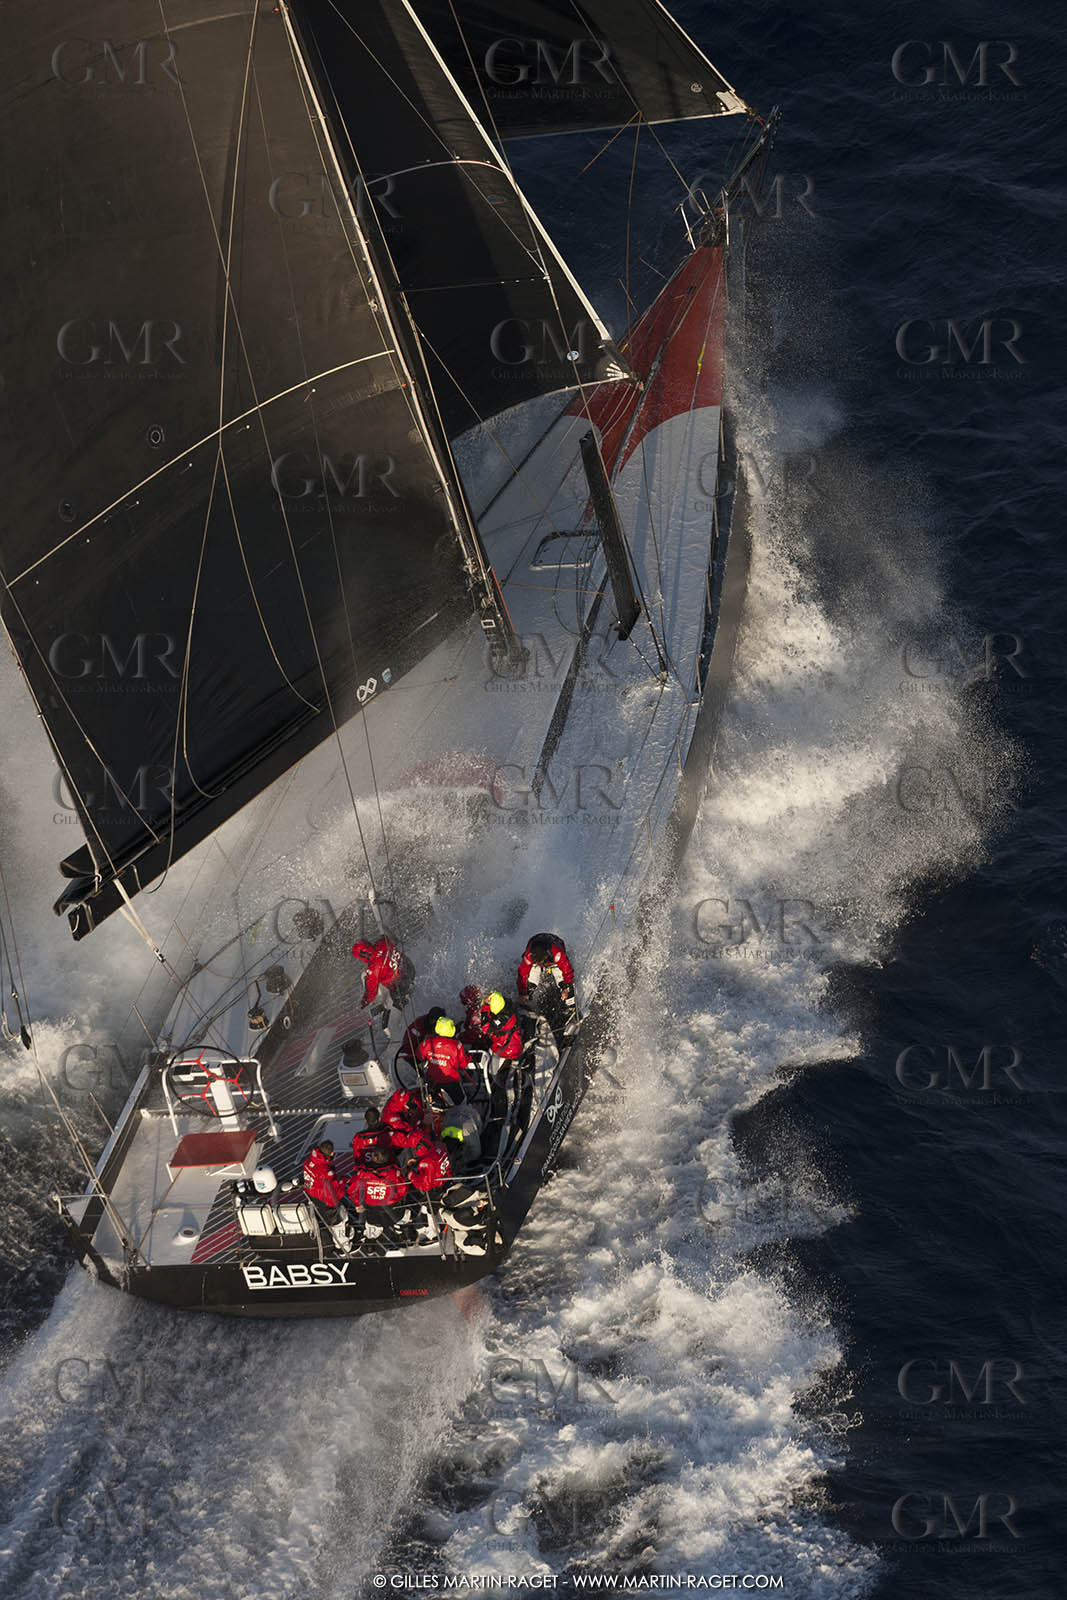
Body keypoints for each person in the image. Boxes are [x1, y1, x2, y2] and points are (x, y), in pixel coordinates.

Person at [347, 1143, 413, 1246]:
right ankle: (406, 1235)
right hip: (393, 1211)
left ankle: (370, 1245)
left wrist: (358, 1203)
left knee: (371, 1228)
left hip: (372, 1213)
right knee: (405, 1216)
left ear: (374, 1157)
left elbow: (352, 1191)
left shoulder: (363, 1173)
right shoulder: (394, 1172)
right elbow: (403, 1189)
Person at [517, 933, 577, 1037]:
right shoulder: (529, 956)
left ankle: (570, 1010)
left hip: (553, 962)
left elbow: (567, 971)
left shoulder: (557, 953)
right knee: (529, 984)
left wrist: (566, 988)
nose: (543, 966)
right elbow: (522, 974)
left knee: (565, 985)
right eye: (540, 964)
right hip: (537, 954)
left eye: (543, 964)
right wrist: (523, 993)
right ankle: (527, 1010)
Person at [301, 1139, 354, 1254]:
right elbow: (336, 1193)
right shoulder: (326, 1172)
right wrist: (344, 1181)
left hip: (311, 1195)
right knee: (340, 1221)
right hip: (326, 1201)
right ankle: (343, 1247)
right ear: (331, 1154)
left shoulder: (308, 1160)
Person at [418, 1016, 476, 1105]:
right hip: (451, 1082)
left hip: (432, 1083)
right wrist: (469, 1057)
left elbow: (419, 1055)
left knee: (434, 1105)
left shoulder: (427, 1042)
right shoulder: (457, 1045)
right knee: (462, 1103)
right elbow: (463, 1064)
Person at [351, 935, 413, 1009]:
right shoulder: (382, 942)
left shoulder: (373, 970)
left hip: (401, 986)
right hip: (409, 968)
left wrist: (364, 1002)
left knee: (396, 1007)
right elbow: (386, 938)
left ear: (362, 955)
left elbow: (371, 993)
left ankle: (389, 1009)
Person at [468, 991, 523, 1063]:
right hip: (512, 1036)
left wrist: (485, 1007)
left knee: (480, 1039)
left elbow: (485, 1028)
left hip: (509, 1049)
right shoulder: (506, 1003)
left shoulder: (503, 1019)